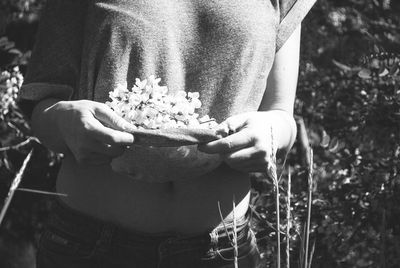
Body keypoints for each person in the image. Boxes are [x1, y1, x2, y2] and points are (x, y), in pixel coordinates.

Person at [19, 0, 315, 267]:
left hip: (221, 250)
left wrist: (270, 133)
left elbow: (280, 116)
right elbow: (43, 104)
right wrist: (64, 121)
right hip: (89, 244)